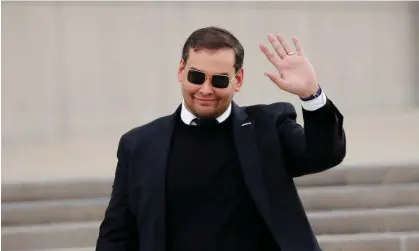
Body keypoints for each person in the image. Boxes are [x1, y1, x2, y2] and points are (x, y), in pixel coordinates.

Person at [96, 26, 346, 251]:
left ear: (238, 80)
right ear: (181, 71)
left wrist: (312, 96)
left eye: (219, 80)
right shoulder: (139, 145)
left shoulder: (268, 126)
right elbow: (117, 233)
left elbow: (323, 154)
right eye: (196, 76)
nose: (206, 89)